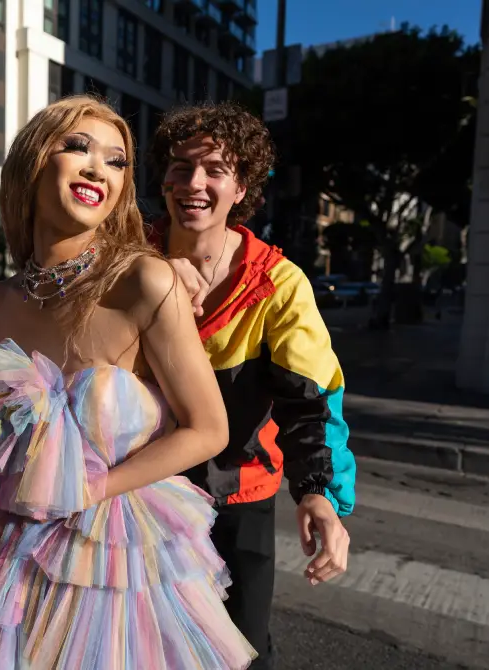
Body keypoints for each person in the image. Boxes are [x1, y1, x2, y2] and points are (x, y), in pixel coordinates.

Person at [0, 95, 255, 669]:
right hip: (22, 548)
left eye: (116, 161)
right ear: (33, 162)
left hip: (120, 554)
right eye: (77, 147)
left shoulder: (142, 280)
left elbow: (208, 430)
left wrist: (88, 490)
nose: (97, 169)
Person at [146, 101, 356, 668]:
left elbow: (308, 400)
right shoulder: (128, 260)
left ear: (241, 188)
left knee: (241, 650)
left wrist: (316, 491)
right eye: (181, 167)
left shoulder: (279, 283)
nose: (194, 183)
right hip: (139, 494)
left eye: (215, 170)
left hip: (239, 499)